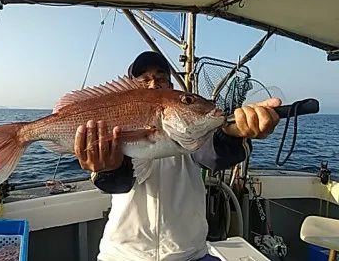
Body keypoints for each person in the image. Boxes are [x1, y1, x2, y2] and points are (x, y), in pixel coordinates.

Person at [74, 51, 281, 261]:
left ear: (171, 89)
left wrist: (233, 134)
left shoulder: (192, 136)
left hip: (189, 254)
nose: (153, 84)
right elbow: (118, 184)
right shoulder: (118, 127)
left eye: (161, 78)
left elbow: (212, 154)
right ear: (130, 90)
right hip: (121, 255)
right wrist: (105, 169)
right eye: (144, 80)